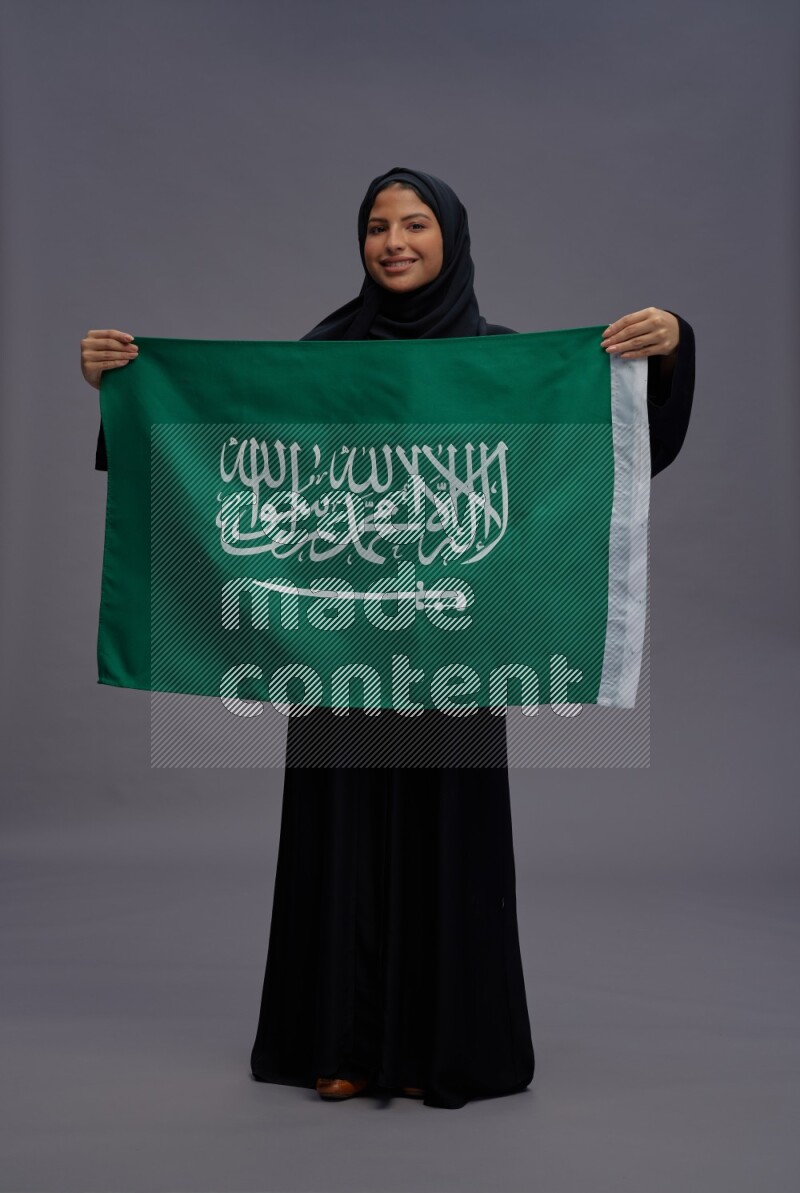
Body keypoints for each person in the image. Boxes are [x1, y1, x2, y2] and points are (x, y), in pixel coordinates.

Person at [82, 166, 695, 1110]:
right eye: (377, 226)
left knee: (449, 844)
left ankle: (434, 1049)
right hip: (337, 652)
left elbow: (611, 447)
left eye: (415, 224)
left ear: (451, 237)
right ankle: (338, 1042)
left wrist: (672, 348)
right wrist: (121, 389)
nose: (394, 242)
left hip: (455, 651)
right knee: (339, 837)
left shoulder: (503, 364)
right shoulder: (323, 360)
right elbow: (212, 447)